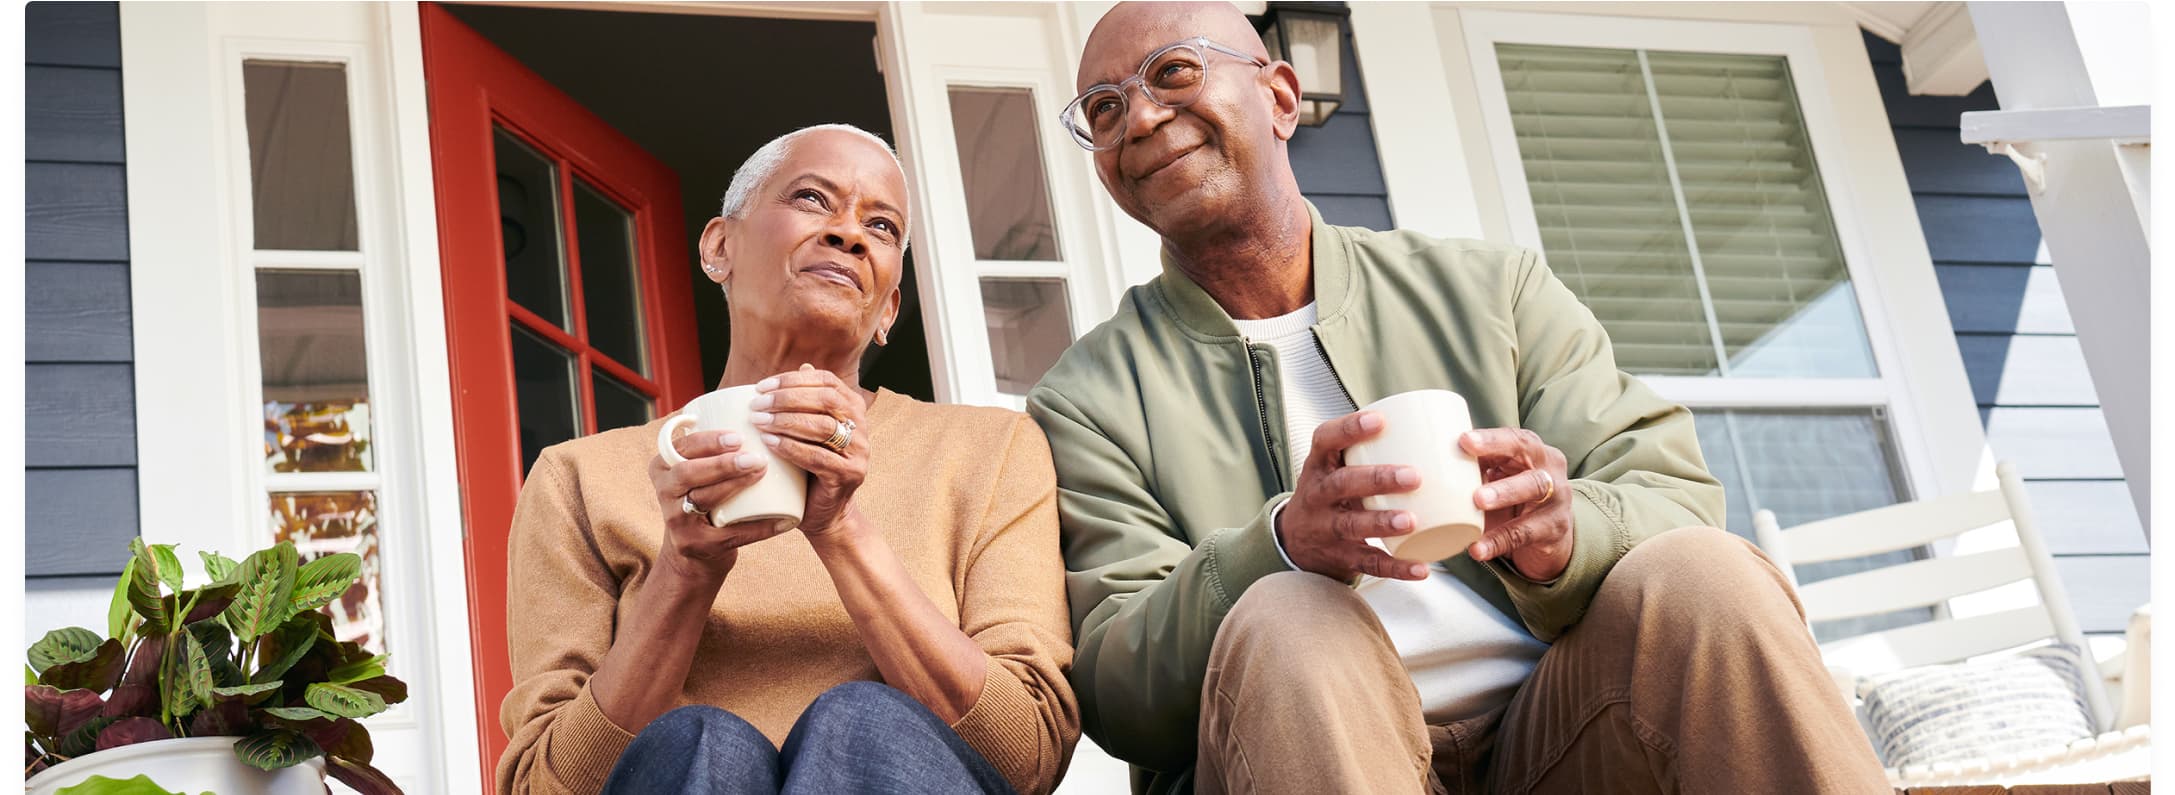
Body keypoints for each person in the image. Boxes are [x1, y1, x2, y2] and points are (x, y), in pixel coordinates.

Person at [1027, 4, 1890, 793]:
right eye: (1103, 110)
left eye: (1172, 73)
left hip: (1561, 728)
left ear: (1281, 97)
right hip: (1301, 746)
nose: (1138, 117)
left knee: (1705, 574)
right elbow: (1113, 686)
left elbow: (1677, 499)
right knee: (1291, 617)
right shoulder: (1086, 398)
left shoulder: (1490, 290)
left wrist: (1566, 531)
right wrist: (1280, 548)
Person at [499, 124, 1078, 795]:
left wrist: (841, 530)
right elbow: (544, 783)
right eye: (812, 198)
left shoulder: (990, 451)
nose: (849, 233)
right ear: (720, 247)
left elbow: (1028, 756)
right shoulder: (577, 478)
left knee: (861, 723)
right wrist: (684, 570)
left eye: (882, 226)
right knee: (700, 743)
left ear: (888, 306)